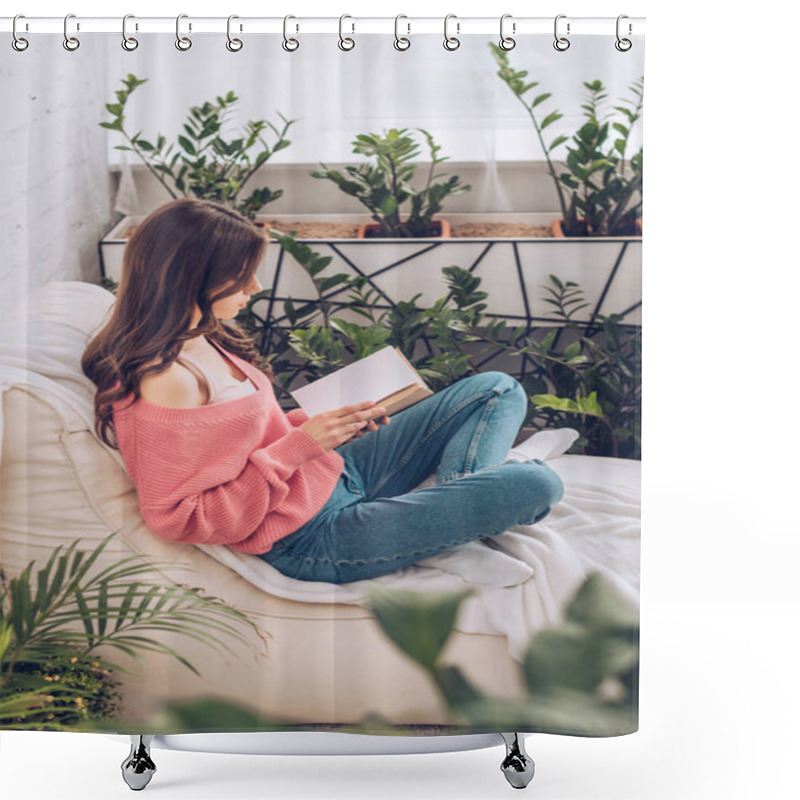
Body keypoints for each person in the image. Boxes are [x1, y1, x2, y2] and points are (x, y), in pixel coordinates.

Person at [83, 198, 564, 585]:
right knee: (538, 485)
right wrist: (300, 445)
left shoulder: (203, 332)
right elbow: (180, 518)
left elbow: (239, 441)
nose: (256, 285)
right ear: (193, 276)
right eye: (241, 273)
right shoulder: (167, 379)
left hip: (330, 473)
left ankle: (457, 526)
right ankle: (460, 525)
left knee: (494, 389)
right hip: (309, 538)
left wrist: (325, 427)